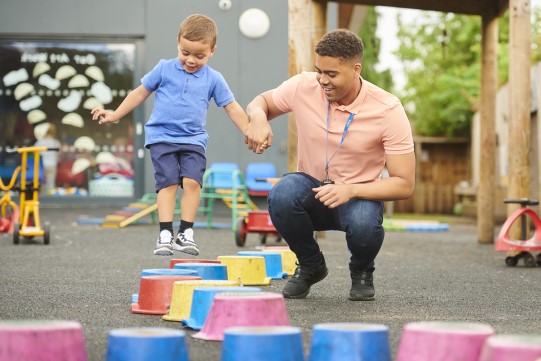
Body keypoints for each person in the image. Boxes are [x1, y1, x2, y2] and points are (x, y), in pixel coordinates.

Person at [245, 29, 415, 301]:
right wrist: (258, 118)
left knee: (363, 224)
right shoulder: (304, 86)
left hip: (358, 196)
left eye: (332, 74)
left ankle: (361, 270)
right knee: (282, 194)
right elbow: (261, 102)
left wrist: (350, 190)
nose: (323, 80)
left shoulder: (388, 109)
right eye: (318, 71)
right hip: (312, 190)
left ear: (356, 69)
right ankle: (311, 264)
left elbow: (404, 183)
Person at [91, 14, 252, 257]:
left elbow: (231, 107)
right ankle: (165, 233)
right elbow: (139, 93)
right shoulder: (164, 68)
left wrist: (249, 130)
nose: (190, 60)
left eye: (200, 56)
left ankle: (185, 233)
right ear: (178, 43)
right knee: (169, 183)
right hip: (162, 137)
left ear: (212, 51)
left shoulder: (213, 79)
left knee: (192, 183)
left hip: (193, 140)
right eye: (185, 52)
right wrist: (115, 115)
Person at [34, 123, 61, 194]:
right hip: (52, 164)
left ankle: (42, 198)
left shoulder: (40, 142)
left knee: (42, 183)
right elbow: (59, 154)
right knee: (51, 183)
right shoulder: (55, 142)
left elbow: (34, 152)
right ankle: (51, 200)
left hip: (42, 165)